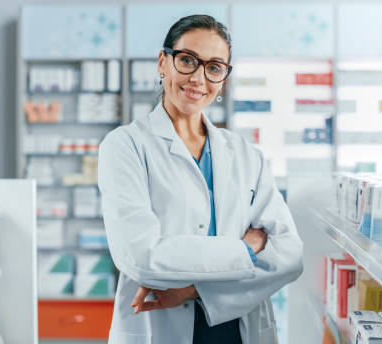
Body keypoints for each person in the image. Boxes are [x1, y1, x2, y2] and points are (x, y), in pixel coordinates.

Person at [98, 14, 304, 344]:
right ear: (163, 62)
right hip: (159, 326)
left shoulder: (245, 154)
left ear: (223, 79)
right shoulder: (125, 146)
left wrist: (192, 290)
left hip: (238, 328)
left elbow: (290, 255)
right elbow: (141, 256)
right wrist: (246, 248)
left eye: (214, 67)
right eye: (187, 60)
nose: (198, 78)